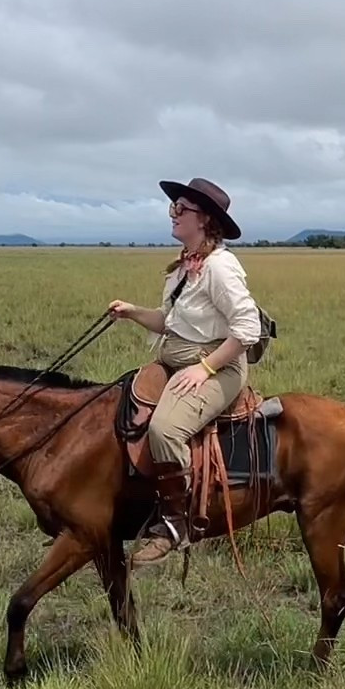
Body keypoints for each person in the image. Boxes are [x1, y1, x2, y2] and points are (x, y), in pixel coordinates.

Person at [108, 177, 261, 565]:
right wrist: (133, 313)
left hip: (216, 367)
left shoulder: (221, 267)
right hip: (176, 360)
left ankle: (176, 524)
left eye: (180, 209)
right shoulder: (184, 265)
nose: (173, 214)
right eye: (172, 207)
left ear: (205, 220)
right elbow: (169, 322)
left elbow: (247, 329)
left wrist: (205, 368)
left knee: (165, 429)